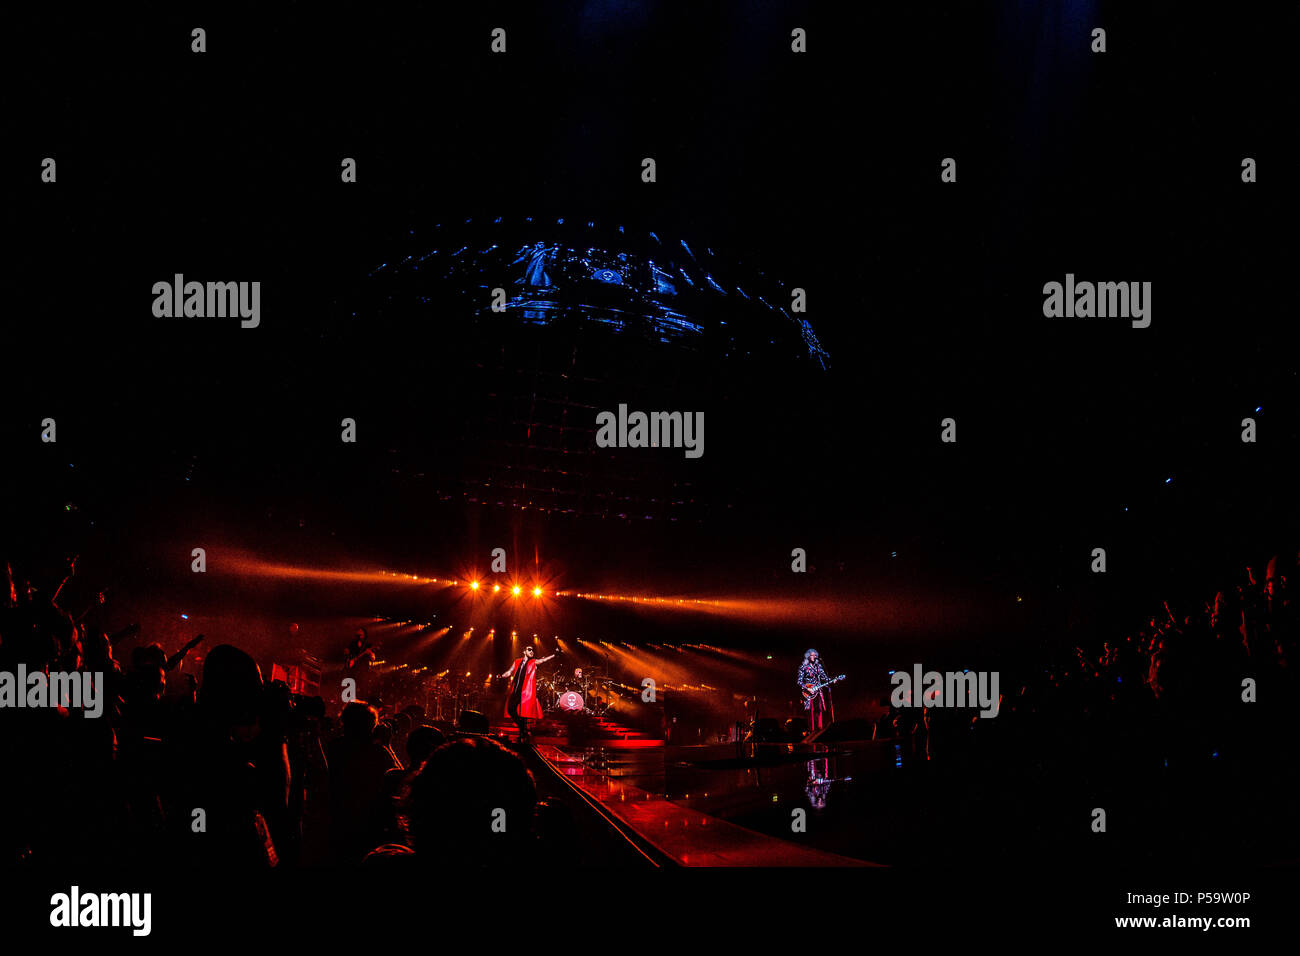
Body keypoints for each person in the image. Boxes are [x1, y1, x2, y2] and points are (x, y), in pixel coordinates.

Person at [499, 645, 554, 744]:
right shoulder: (517, 661)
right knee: (510, 709)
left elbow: (542, 660)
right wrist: (501, 676)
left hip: (526, 691)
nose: (532, 651)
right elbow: (509, 672)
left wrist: (553, 655)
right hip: (516, 690)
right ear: (524, 652)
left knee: (523, 712)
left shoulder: (533, 662)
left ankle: (522, 734)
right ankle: (523, 729)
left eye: (532, 650)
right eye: (529, 649)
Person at [797, 648, 834, 733]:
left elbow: (825, 677)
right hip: (808, 692)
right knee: (810, 711)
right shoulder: (803, 667)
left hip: (818, 691)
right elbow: (799, 681)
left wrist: (832, 680)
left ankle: (819, 729)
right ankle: (811, 730)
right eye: (812, 655)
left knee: (819, 709)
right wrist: (807, 688)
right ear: (808, 656)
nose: (814, 656)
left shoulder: (819, 666)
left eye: (815, 655)